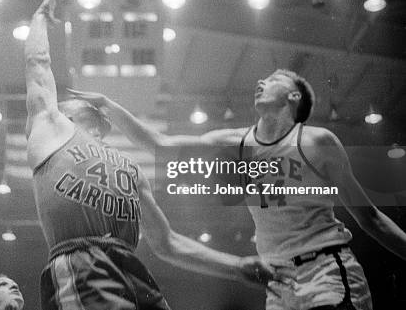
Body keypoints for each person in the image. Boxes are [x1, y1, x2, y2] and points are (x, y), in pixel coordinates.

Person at [24, 0, 293, 310]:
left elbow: (167, 243)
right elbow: (38, 65)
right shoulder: (50, 128)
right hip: (81, 263)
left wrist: (235, 266)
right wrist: (39, 19)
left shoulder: (131, 169)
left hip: (131, 269)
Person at [69, 69, 406, 310]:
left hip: (327, 270)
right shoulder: (234, 143)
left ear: (294, 96)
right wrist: (108, 104)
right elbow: (159, 143)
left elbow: (370, 218)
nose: (261, 81)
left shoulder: (317, 142)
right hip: (278, 282)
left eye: (273, 79)